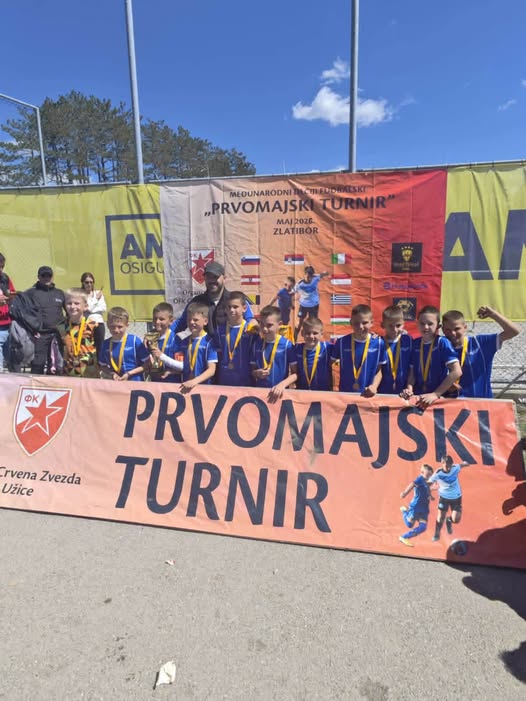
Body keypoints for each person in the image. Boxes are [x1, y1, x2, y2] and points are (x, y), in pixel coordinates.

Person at [441, 307, 520, 398]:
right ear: (443, 329)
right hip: (450, 401)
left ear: (465, 327)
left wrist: (494, 314)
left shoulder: (480, 343)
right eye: (448, 330)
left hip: (480, 402)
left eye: (457, 329)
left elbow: (513, 331)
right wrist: (445, 383)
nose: (453, 333)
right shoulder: (438, 345)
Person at [400, 305, 461, 409]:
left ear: (438, 326)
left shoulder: (442, 342)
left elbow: (457, 371)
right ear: (417, 324)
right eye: (422, 323)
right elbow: (412, 372)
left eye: (430, 324)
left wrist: (436, 394)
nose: (426, 327)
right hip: (419, 397)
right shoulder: (415, 344)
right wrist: (409, 388)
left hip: (438, 399)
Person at [172, 261, 254, 337]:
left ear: (224, 278)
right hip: (206, 347)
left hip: (231, 346)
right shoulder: (196, 302)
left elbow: (250, 320)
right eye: (208, 277)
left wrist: (253, 323)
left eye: (215, 277)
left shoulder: (235, 299)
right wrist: (167, 334)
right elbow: (180, 324)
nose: (212, 281)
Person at [331, 304, 386, 396]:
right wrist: (330, 385)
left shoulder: (379, 343)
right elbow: (327, 364)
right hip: (345, 395)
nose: (360, 326)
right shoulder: (341, 342)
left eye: (364, 323)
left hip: (368, 394)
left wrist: (374, 386)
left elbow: (379, 370)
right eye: (356, 323)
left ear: (371, 323)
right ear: (351, 323)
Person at [25, 266, 66, 375]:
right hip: (40, 334)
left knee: (57, 365)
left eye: (49, 275)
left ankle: (54, 384)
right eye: (44, 275)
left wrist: (64, 332)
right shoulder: (31, 293)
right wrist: (31, 330)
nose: (47, 278)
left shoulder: (60, 293)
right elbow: (24, 313)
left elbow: (69, 312)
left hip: (58, 334)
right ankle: (35, 384)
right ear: (38, 277)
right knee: (38, 363)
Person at [250, 305, 296, 401]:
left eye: (269, 325)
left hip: (280, 395)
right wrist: (257, 373)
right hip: (260, 395)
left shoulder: (287, 345)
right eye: (262, 324)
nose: (265, 329)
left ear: (280, 324)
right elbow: (252, 370)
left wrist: (282, 385)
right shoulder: (256, 344)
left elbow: (295, 373)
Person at [213, 291, 258, 386]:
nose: (231, 310)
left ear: (244, 308)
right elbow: (217, 356)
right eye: (229, 307)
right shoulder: (219, 330)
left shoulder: (251, 330)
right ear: (225, 309)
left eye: (235, 307)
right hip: (224, 381)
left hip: (246, 382)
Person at [277, 317, 333, 392]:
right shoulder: (296, 349)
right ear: (302, 333)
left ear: (322, 334)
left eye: (315, 333)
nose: (311, 336)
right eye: (308, 333)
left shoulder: (327, 348)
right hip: (301, 393)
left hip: (323, 393)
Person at [99, 306, 150, 381]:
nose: (116, 330)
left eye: (120, 327)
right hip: (116, 382)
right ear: (107, 325)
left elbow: (148, 363)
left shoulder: (134, 341)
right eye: (112, 326)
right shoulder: (105, 344)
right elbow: (102, 366)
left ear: (127, 325)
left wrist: (129, 374)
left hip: (135, 382)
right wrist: (112, 374)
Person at [428, 455, 471, 541]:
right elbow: (428, 484)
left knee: (456, 520)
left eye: (450, 466)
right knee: (441, 517)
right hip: (444, 497)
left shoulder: (455, 468)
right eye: (446, 466)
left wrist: (466, 463)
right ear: (442, 463)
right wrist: (429, 492)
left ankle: (449, 520)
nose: (448, 468)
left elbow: (462, 465)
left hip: (456, 497)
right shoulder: (438, 474)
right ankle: (437, 533)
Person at [178, 302, 218, 394]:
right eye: (189, 320)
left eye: (195, 320)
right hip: (186, 388)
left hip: (204, 390)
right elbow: (181, 365)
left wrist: (194, 381)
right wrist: (171, 371)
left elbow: (212, 370)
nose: (192, 322)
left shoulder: (209, 342)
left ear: (205, 321)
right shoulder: (184, 342)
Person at [61, 288, 99, 378]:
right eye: (69, 303)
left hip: (90, 375)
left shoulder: (94, 326)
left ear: (85, 306)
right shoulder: (61, 327)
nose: (72, 306)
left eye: (77, 303)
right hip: (69, 375)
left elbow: (100, 349)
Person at [378, 305, 412, 394]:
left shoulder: (408, 340)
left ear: (403, 324)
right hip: (382, 392)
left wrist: (409, 388)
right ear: (383, 325)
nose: (395, 329)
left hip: (404, 392)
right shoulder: (379, 342)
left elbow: (412, 368)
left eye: (398, 325)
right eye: (390, 326)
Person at [399, 464, 434, 547]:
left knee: (423, 527)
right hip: (416, 507)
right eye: (427, 475)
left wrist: (430, 496)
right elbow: (412, 484)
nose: (429, 477)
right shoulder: (420, 479)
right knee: (409, 525)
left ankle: (404, 537)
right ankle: (404, 511)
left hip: (424, 508)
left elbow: (427, 488)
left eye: (430, 475)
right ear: (422, 472)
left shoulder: (426, 482)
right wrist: (404, 493)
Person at [147, 302, 183, 382]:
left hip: (172, 385)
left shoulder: (175, 340)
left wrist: (161, 356)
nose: (157, 322)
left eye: (161, 319)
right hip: (154, 383)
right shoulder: (149, 339)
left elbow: (182, 366)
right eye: (155, 318)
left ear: (171, 321)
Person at [293, 266, 329, 340]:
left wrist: (324, 273)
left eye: (310, 277)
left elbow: (325, 273)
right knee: (299, 323)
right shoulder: (299, 284)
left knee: (313, 324)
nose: (309, 279)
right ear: (304, 274)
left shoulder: (315, 278)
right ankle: (294, 339)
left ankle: (312, 340)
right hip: (303, 306)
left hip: (314, 306)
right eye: (307, 276)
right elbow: (292, 292)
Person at [80, 272, 107, 355]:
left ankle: (100, 362)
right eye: (87, 282)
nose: (89, 284)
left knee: (100, 346)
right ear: (82, 283)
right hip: (87, 323)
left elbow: (103, 308)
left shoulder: (98, 293)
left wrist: (91, 309)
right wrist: (96, 300)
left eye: (91, 282)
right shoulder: (81, 295)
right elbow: (86, 309)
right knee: (87, 346)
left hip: (99, 323)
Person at [0, 252, 16, 372]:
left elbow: (12, 292)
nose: (0, 269)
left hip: (7, 321)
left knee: (9, 350)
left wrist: (11, 297)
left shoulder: (5, 278)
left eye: (2, 266)